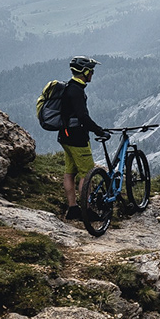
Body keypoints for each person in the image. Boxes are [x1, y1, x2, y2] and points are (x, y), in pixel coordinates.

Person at [57, 56, 109, 222]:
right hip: (78, 138)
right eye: (91, 70)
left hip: (65, 136)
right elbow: (82, 117)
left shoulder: (69, 87)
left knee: (69, 172)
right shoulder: (77, 91)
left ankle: (73, 208)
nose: (92, 73)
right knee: (86, 175)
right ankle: (87, 210)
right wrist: (98, 130)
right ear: (84, 71)